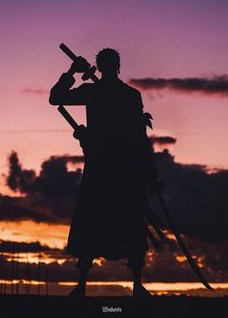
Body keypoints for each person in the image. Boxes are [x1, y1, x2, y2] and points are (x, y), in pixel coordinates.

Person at [49, 48, 154, 299]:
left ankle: (100, 285)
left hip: (111, 168)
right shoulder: (128, 95)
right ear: (117, 66)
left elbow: (56, 97)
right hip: (115, 168)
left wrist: (73, 72)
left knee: (107, 221)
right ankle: (130, 285)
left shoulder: (102, 93)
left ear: (102, 66)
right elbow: (56, 99)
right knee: (107, 222)